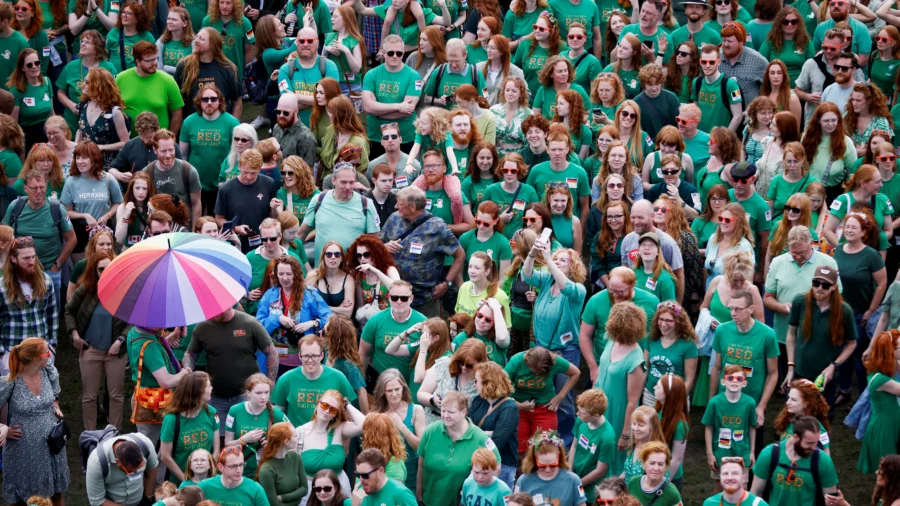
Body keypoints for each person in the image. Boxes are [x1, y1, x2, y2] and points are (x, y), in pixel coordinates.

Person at [0, 338, 69, 505]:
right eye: (47, 353)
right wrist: (4, 428)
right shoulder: (10, 382)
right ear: (35, 358)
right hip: (25, 451)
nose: (50, 356)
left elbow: (55, 389)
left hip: (53, 446)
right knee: (29, 498)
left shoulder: (47, 372)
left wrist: (55, 404)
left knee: (57, 492)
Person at [380, 186, 465, 318]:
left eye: (400, 204)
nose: (396, 206)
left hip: (424, 299)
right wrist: (384, 246)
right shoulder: (394, 219)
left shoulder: (437, 227)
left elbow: (460, 256)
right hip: (394, 295)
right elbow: (376, 245)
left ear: (413, 207)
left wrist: (447, 283)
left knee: (428, 334)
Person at [710, 289, 778, 454]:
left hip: (751, 404)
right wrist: (712, 400)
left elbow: (773, 373)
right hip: (725, 402)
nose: (733, 313)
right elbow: (717, 367)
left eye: (738, 309)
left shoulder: (767, 335)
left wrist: (761, 406)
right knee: (723, 450)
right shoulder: (722, 331)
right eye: (731, 308)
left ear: (751, 309)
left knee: (752, 452)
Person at [65, 249, 127, 429]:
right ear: (94, 270)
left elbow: (133, 320)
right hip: (90, 349)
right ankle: (89, 435)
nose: (105, 273)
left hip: (115, 351)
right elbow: (69, 311)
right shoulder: (85, 289)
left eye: (109, 268)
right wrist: (75, 335)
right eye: (101, 269)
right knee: (89, 396)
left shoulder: (123, 292)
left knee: (116, 395)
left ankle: (114, 435)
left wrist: (120, 340)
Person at [416, 390, 501, 506]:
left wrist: (479, 489)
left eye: (451, 412)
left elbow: (496, 466)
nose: (445, 416)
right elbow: (420, 466)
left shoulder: (480, 438)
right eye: (443, 411)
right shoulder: (431, 431)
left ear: (464, 412)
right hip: (427, 502)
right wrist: (418, 496)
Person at [254, 252, 329, 372]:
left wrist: (312, 323)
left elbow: (329, 318)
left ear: (297, 274)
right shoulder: (269, 295)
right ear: (276, 275)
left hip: (303, 361)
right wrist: (277, 318)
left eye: (289, 274)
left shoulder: (310, 294)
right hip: (273, 360)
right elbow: (258, 325)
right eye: (281, 274)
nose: (285, 278)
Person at [0, 232, 59, 372]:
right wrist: (2, 354)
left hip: (41, 353)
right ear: (13, 259)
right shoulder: (2, 287)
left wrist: (52, 346)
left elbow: (53, 316)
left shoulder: (46, 281)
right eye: (26, 258)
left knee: (41, 393)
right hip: (13, 353)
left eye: (33, 256)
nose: (32, 261)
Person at [178, 83, 239, 215]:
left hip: (222, 183)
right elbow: (182, 155)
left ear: (220, 100)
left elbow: (238, 153)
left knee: (217, 220)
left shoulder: (232, 122)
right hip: (196, 183)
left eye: (213, 99)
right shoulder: (189, 122)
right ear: (199, 102)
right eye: (205, 99)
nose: (209, 102)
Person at [751, 416, 839, 504]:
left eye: (816, 442)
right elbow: (755, 493)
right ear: (796, 437)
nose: (813, 447)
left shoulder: (823, 461)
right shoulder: (769, 454)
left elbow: (831, 501)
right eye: (809, 443)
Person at [272, 334, 358, 425]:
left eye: (314, 356)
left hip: (328, 436)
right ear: (300, 356)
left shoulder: (338, 378)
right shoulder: (286, 380)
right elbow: (278, 415)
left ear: (321, 356)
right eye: (306, 356)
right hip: (296, 436)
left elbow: (349, 414)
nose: (310, 360)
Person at [361, 35, 420, 158]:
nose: (394, 56)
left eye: (398, 53)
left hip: (404, 137)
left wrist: (377, 112)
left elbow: (407, 111)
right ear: (383, 53)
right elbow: (368, 107)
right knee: (376, 174)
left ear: (403, 53)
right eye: (391, 53)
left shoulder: (414, 76)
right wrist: (398, 106)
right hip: (377, 136)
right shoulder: (371, 75)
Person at [620, 200, 686, 300]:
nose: (636, 222)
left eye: (640, 217)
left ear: (652, 216)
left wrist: (677, 307)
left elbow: (679, 274)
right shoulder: (627, 240)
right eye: (633, 217)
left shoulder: (667, 243)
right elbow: (625, 268)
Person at [214, 149, 278, 252]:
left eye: (253, 173)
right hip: (235, 244)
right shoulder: (226, 189)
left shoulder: (268, 184)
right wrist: (236, 228)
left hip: (263, 244)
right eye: (245, 172)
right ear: (239, 166)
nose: (248, 177)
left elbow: (272, 215)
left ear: (260, 168)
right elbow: (219, 218)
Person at [116, 41, 184, 136]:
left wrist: (170, 138)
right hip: (129, 142)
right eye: (149, 61)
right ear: (138, 61)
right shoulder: (121, 78)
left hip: (158, 142)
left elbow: (177, 114)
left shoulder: (168, 80)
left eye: (155, 59)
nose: (154, 63)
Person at [702, 365, 757, 478]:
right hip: (720, 453)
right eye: (730, 378)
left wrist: (752, 452)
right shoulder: (715, 402)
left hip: (742, 453)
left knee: (742, 488)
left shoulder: (750, 403)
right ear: (723, 381)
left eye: (739, 379)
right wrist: (710, 453)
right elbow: (708, 427)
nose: (735, 381)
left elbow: (752, 427)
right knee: (720, 487)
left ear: (744, 383)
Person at [802, 102, 859, 200]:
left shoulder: (846, 142)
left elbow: (852, 172)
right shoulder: (806, 137)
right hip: (808, 189)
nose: (831, 124)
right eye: (826, 121)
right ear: (819, 121)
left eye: (834, 120)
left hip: (833, 193)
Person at [85, 431, 160, 506]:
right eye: (130, 471)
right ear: (118, 462)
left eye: (140, 467)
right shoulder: (96, 462)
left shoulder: (145, 444)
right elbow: (97, 501)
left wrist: (148, 492)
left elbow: (153, 466)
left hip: (140, 499)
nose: (135, 473)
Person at [8, 48, 53, 153]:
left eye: (37, 63)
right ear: (23, 68)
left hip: (47, 135)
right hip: (27, 138)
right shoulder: (16, 89)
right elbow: (14, 123)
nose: (34, 67)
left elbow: (52, 113)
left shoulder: (47, 82)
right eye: (29, 65)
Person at [693, 43, 743, 133]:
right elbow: (694, 110)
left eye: (712, 62)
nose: (707, 65)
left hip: (720, 140)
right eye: (704, 62)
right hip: (700, 136)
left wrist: (724, 138)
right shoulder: (697, 82)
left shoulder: (731, 85)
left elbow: (738, 116)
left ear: (718, 62)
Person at [255, 422, 309, 506]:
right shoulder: (267, 470)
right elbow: (273, 504)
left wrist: (282, 498)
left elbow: (304, 488)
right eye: (295, 436)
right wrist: (296, 500)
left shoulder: (295, 457)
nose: (297, 438)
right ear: (286, 441)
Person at [197, 446, 268, 506]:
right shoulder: (204, 487)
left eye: (241, 465)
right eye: (233, 466)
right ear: (221, 467)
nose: (239, 470)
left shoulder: (256, 489)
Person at [775, 379, 833, 451]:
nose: (787, 402)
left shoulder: (817, 430)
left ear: (806, 403)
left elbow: (826, 458)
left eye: (793, 400)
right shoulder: (788, 418)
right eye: (788, 398)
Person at [353, 448, 417, 506]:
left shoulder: (401, 494)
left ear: (380, 471)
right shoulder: (360, 496)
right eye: (358, 475)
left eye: (365, 475)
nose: (361, 480)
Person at [271, 93, 317, 171]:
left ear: (296, 111)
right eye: (278, 112)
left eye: (286, 113)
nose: (281, 115)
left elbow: (308, 172)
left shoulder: (306, 138)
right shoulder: (277, 127)